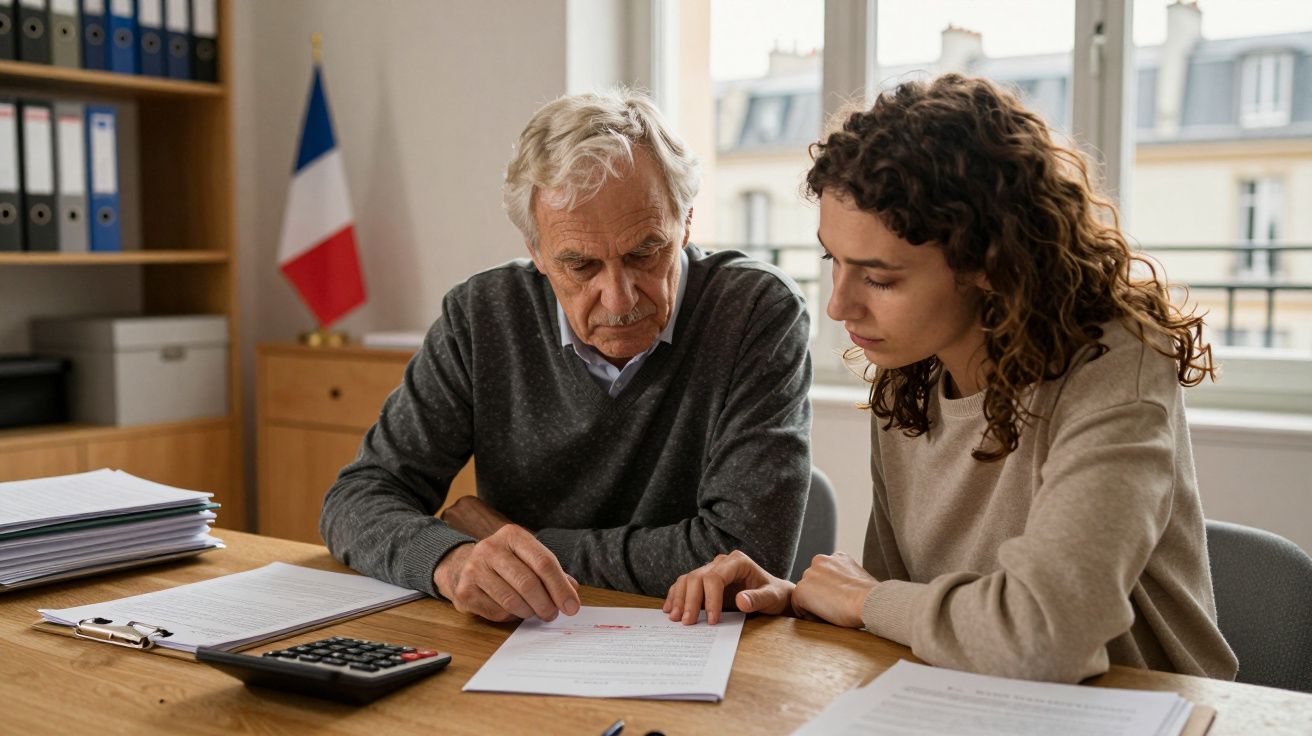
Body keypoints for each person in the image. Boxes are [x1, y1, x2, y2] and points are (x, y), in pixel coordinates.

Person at [664, 74, 1238, 683]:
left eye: (880, 278)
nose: (838, 306)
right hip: (978, 702)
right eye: (834, 260)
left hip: (1143, 709)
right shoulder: (909, 371)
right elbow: (901, 606)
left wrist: (862, 601)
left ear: (990, 263)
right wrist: (798, 600)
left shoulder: (1115, 362)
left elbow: (1044, 636)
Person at [320, 88, 813, 625]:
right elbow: (357, 500)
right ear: (535, 251)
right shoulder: (482, 315)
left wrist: (516, 541)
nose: (619, 297)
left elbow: (744, 554)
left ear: (686, 220)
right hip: (527, 640)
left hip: (697, 646)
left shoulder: (755, 312)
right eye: (580, 266)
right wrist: (453, 559)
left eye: (645, 252)